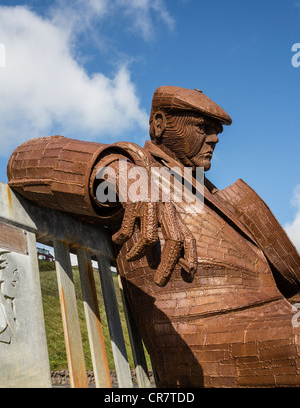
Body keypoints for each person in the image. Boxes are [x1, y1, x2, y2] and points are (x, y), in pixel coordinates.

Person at [7, 86, 300, 387]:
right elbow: (23, 161)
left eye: (216, 130)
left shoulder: (212, 191)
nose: (214, 137)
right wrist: (124, 174)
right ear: (159, 123)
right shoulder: (138, 178)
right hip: (212, 340)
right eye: (202, 127)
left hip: (279, 318)